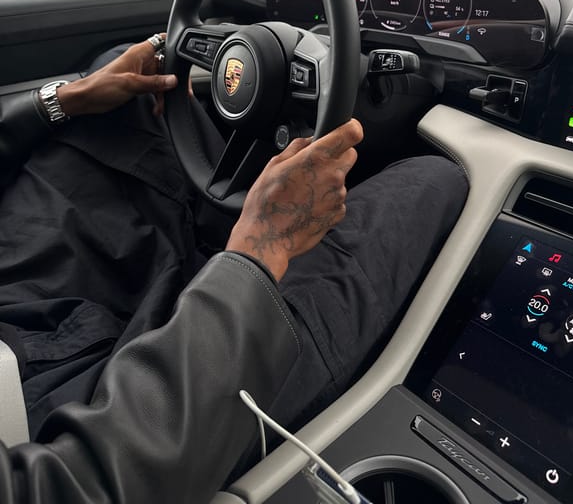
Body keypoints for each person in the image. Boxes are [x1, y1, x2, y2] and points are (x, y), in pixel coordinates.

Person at [0, 36, 468, 503]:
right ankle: (229, 274)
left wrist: (58, 102)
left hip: (20, 292)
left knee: (126, 80)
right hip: (65, 416)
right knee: (433, 178)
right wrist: (263, 246)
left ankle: (216, 266)